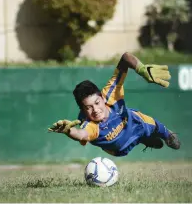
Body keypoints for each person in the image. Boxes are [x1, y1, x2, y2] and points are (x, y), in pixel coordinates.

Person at [48, 52, 181, 157]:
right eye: (88, 107)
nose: (95, 110)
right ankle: (142, 139)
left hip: (135, 124)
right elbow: (82, 134)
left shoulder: (111, 93)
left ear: (102, 97)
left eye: (97, 103)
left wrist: (141, 69)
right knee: (117, 149)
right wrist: (68, 131)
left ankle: (167, 135)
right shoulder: (90, 124)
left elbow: (125, 58)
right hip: (118, 149)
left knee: (148, 122)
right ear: (82, 109)